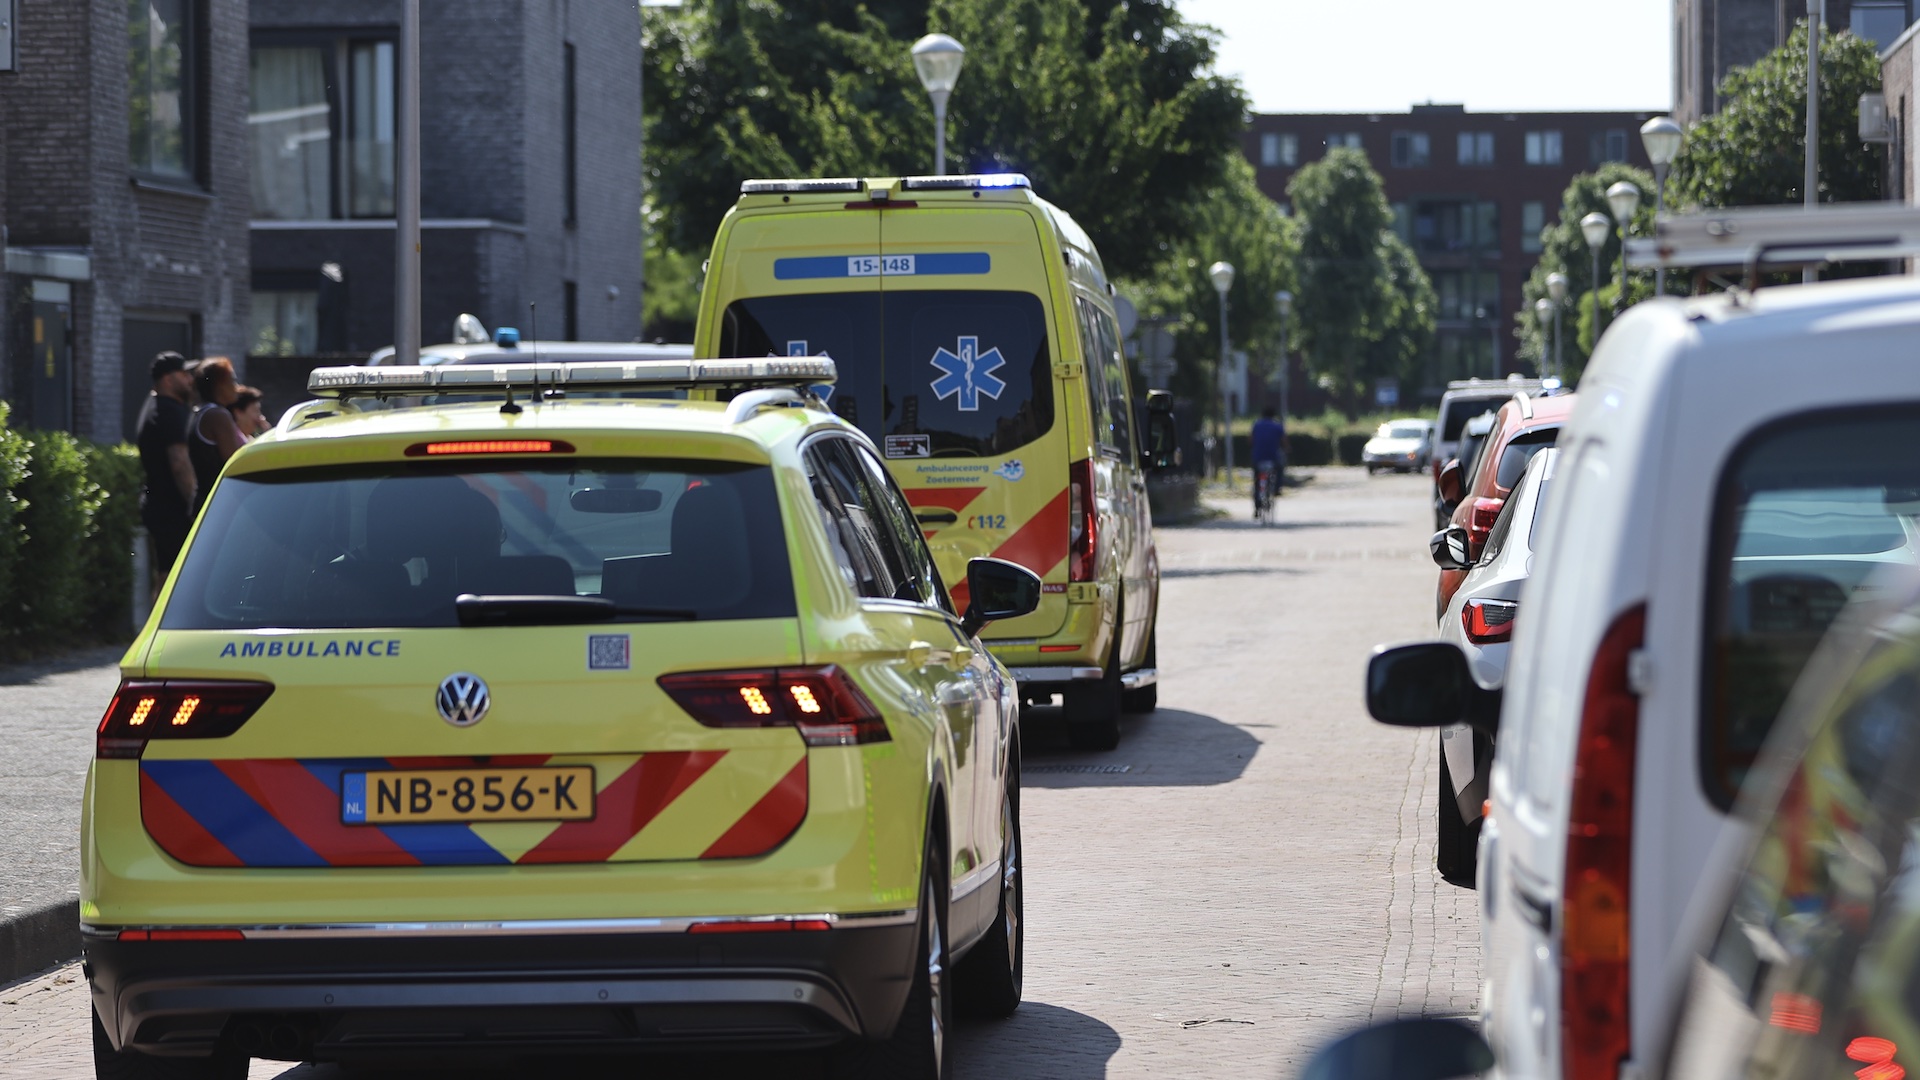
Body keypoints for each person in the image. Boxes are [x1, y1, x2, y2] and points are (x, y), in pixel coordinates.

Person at [134, 351, 197, 587]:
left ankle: (156, 621)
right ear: (168, 379)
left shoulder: (154, 405)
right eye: (184, 374)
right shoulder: (169, 411)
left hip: (160, 506)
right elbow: (179, 462)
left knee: (166, 574)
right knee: (176, 579)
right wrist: (196, 504)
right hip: (173, 509)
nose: (190, 380)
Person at [187, 358, 246, 513]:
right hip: (217, 504)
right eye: (232, 380)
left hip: (203, 499)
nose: (237, 387)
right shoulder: (218, 415)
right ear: (219, 385)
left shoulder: (199, 412)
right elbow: (235, 463)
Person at [1250, 405, 1287, 513]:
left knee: (1257, 480)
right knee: (1279, 469)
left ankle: (1257, 505)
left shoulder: (1256, 425)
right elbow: (1284, 441)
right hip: (1273, 457)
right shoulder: (1277, 426)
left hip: (1258, 457)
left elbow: (1250, 440)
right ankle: (1277, 488)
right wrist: (1287, 448)